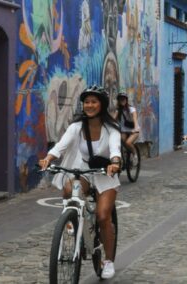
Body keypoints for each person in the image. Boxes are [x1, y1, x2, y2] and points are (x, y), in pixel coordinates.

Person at [39, 85, 121, 279]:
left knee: (102, 216)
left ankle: (108, 260)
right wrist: (48, 159)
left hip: (104, 173)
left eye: (94, 101)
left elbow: (115, 149)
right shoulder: (76, 127)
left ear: (101, 104)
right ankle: (72, 218)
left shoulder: (111, 129)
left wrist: (115, 163)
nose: (89, 105)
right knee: (69, 190)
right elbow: (61, 145)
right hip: (84, 170)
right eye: (86, 102)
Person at [114, 92, 140, 165]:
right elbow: (113, 120)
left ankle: (135, 154)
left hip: (133, 130)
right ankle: (126, 153)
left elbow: (135, 118)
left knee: (128, 142)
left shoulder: (131, 109)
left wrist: (135, 128)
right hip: (124, 130)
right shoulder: (118, 110)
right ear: (118, 101)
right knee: (122, 141)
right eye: (121, 99)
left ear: (126, 100)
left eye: (124, 99)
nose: (122, 101)